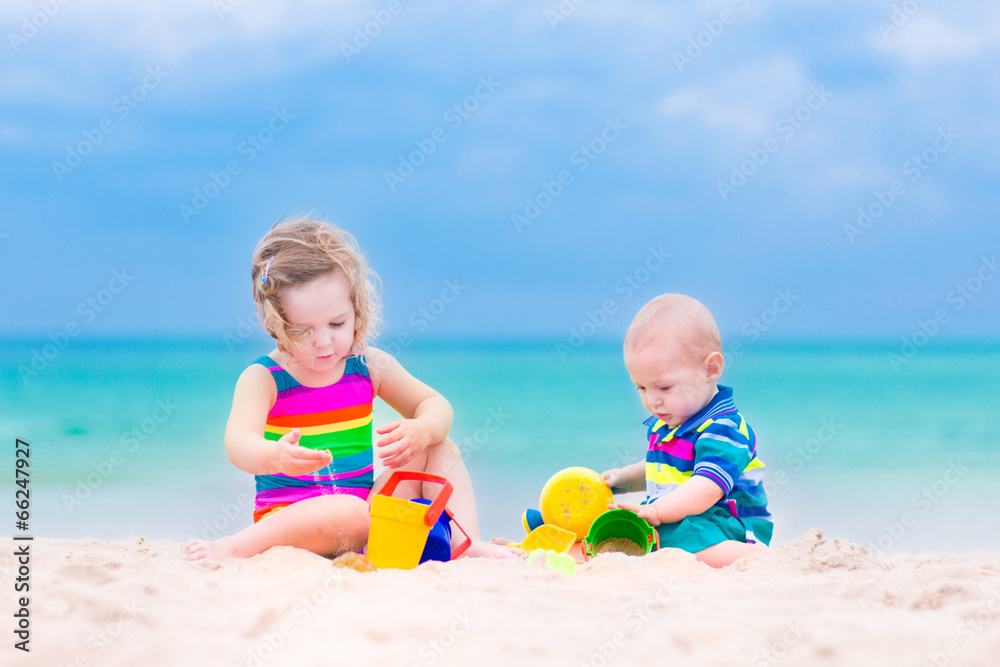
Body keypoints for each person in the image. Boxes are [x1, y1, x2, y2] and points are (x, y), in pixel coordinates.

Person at [187, 217, 513, 561]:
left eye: (337, 323)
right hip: (295, 525)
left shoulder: (368, 366)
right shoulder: (265, 377)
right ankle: (235, 546)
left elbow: (434, 404)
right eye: (302, 331)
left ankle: (465, 541)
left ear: (357, 310)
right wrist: (273, 456)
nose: (324, 342)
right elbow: (237, 443)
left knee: (439, 447)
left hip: (366, 521)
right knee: (350, 512)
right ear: (276, 322)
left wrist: (422, 428)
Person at [602, 294, 773, 568]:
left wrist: (658, 510)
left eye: (664, 387)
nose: (652, 400)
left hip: (728, 522)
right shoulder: (669, 422)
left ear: (711, 369)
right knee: (638, 528)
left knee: (668, 538)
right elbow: (660, 468)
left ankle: (753, 558)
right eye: (642, 387)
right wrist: (624, 479)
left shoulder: (723, 428)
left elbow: (707, 487)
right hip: (689, 516)